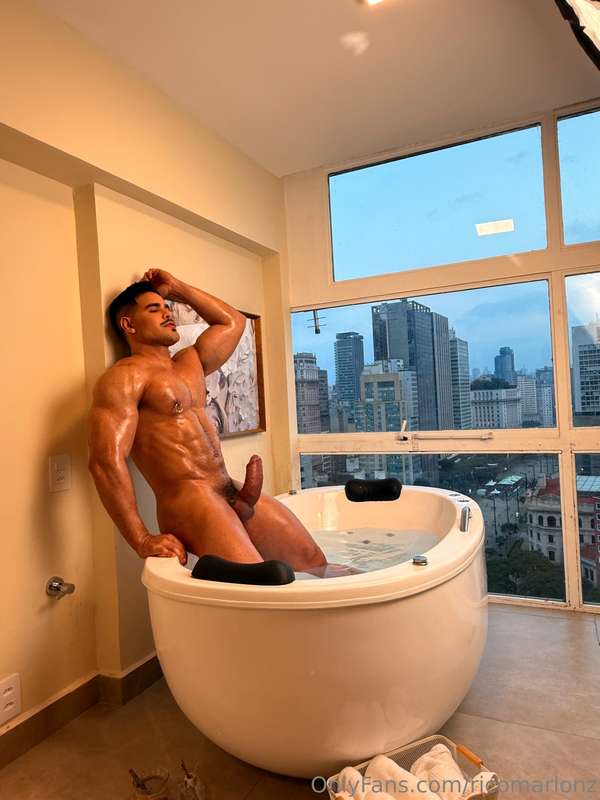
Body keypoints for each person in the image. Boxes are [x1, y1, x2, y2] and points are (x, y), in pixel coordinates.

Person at [88, 268, 353, 578]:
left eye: (167, 307)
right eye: (154, 308)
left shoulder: (189, 362)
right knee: (263, 583)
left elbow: (232, 322)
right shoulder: (124, 377)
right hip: (190, 501)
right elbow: (105, 462)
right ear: (128, 324)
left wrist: (177, 288)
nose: (167, 313)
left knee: (313, 560)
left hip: (227, 487)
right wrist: (141, 539)